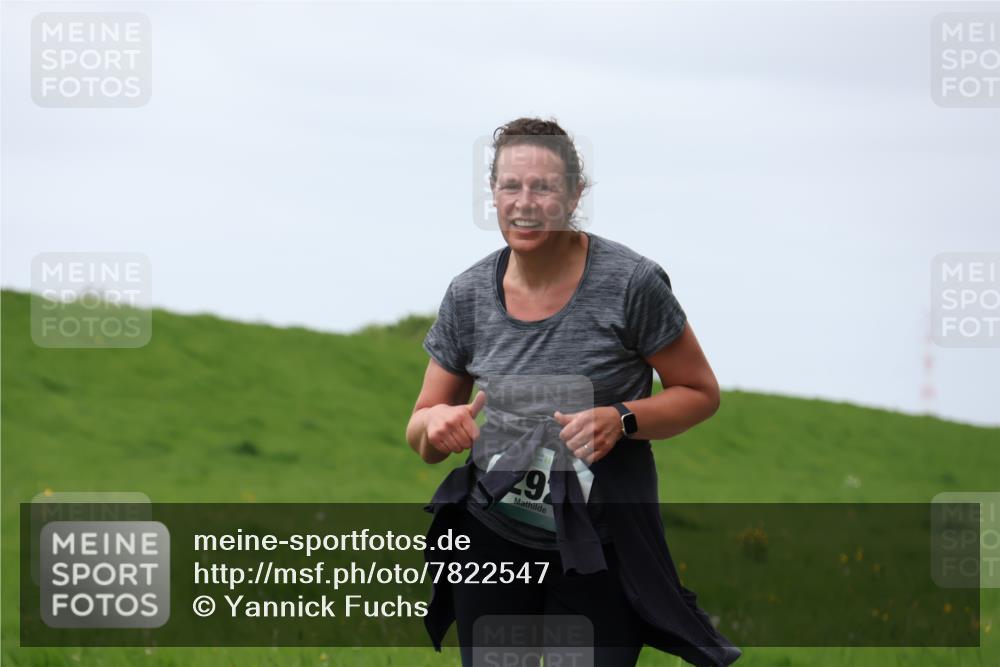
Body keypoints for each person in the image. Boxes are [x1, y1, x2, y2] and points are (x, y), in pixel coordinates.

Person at [406, 117, 742, 667]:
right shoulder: (468, 295)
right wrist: (435, 425)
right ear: (493, 192)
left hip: (601, 545)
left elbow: (700, 392)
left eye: (543, 187)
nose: (525, 203)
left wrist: (622, 418)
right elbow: (421, 426)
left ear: (574, 194)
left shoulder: (631, 284)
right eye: (510, 186)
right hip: (491, 536)